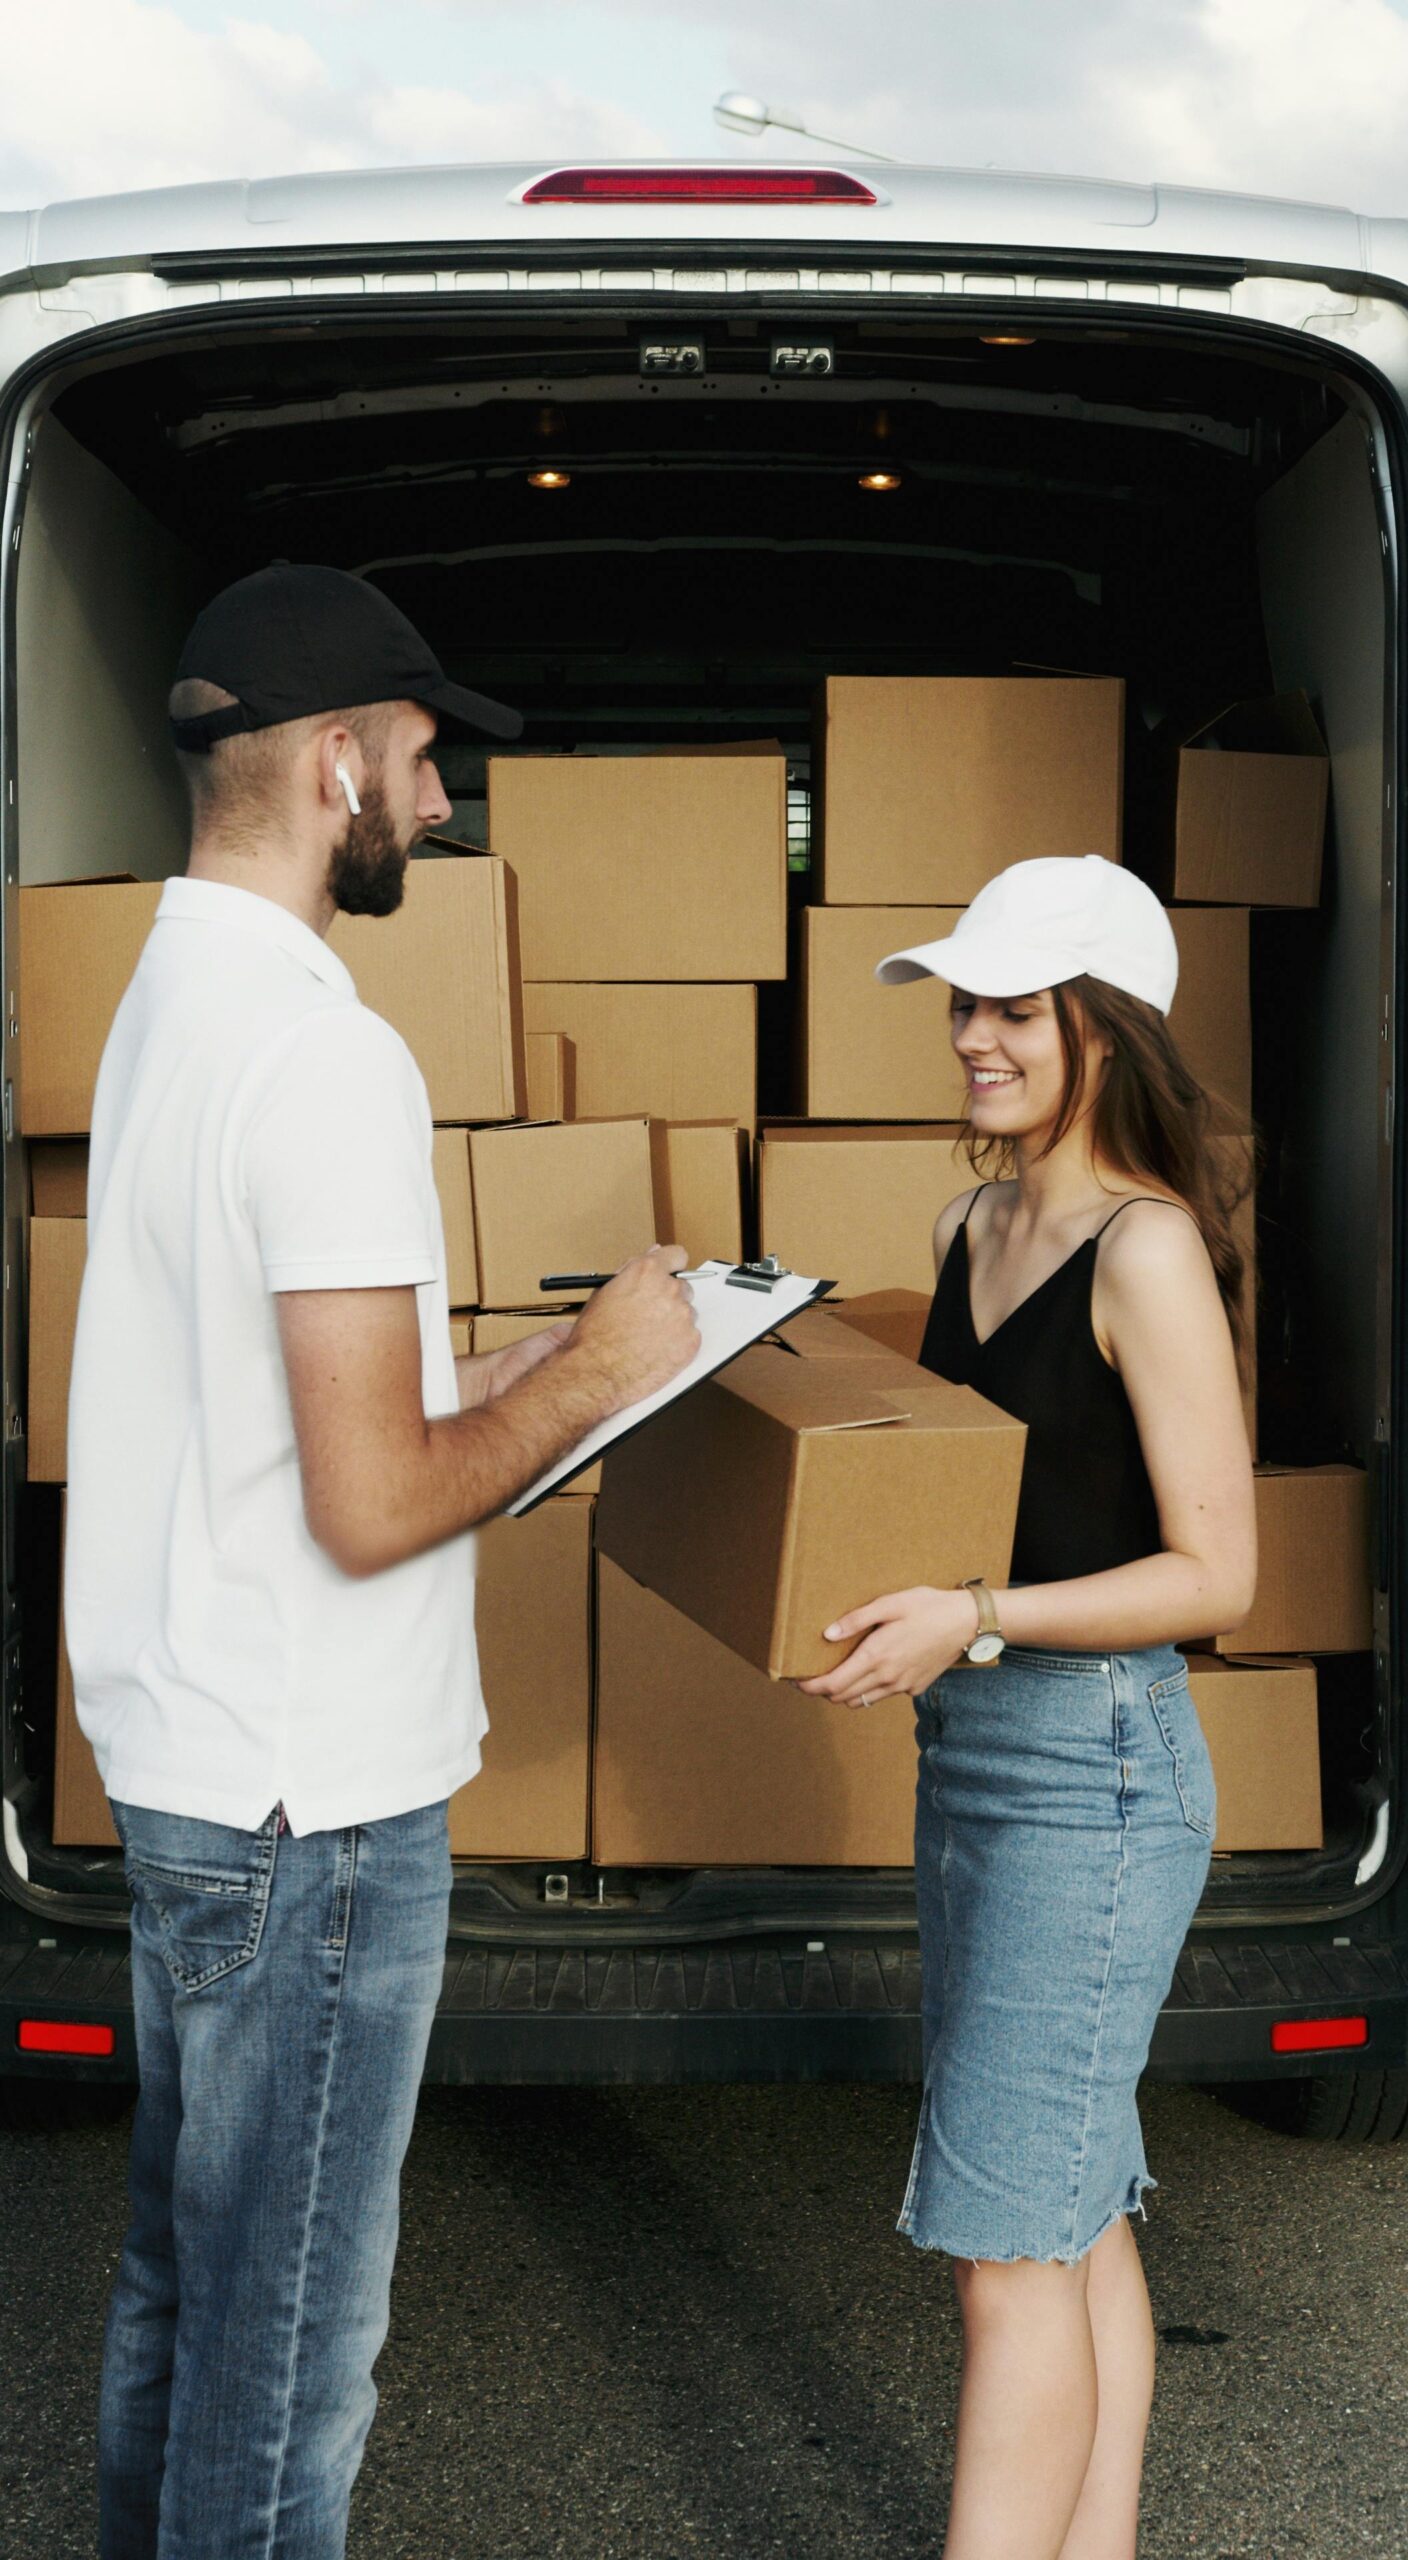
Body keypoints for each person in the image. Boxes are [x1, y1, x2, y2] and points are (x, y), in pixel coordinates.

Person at [65, 562, 699, 2560]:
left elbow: (292, 1401)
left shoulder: (170, 1004)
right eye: (426, 755)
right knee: (288, 2363)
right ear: (336, 759)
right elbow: (369, 1499)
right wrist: (606, 1361)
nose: (444, 793)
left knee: (187, 2285)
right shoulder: (330, 1057)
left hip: (193, 1763)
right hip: (313, 1806)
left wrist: (513, 1371)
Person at [800, 854, 1257, 2560]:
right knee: (1070, 2214)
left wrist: (975, 1616)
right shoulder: (968, 1225)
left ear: (1104, 1027)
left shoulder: (1144, 1252)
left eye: (1010, 1007)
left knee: (1008, 2252)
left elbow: (1221, 1575)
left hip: (1101, 1771)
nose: (971, 1037)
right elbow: (959, 1505)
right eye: (964, 1005)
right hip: (979, 1752)